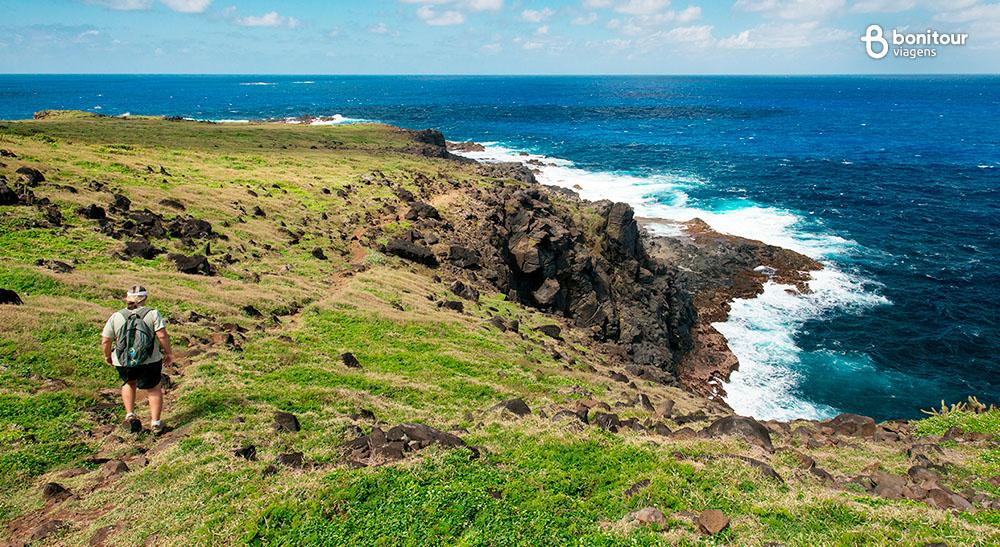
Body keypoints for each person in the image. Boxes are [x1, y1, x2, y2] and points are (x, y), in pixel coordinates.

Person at [101, 285, 173, 435]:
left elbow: (106, 340)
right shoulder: (153, 314)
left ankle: (130, 414)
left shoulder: (117, 316)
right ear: (145, 298)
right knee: (153, 388)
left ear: (127, 298)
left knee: (129, 383)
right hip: (150, 360)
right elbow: (162, 336)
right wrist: (168, 353)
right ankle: (156, 423)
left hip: (123, 360)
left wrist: (108, 356)